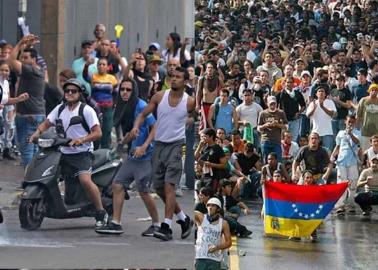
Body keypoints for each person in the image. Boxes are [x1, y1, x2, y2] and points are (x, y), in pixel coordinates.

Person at [29, 78, 108, 230]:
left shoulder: (86, 110)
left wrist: (82, 139)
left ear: (80, 93)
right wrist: (36, 133)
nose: (70, 93)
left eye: (74, 91)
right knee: (48, 174)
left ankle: (100, 212)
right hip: (62, 151)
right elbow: (47, 123)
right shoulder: (59, 109)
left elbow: (98, 133)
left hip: (82, 153)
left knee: (85, 180)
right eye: (67, 91)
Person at [131, 66, 195, 241]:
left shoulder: (189, 102)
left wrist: (189, 121)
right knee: (159, 188)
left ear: (185, 81)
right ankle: (183, 219)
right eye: (172, 76)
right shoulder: (159, 97)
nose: (174, 79)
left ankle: (166, 226)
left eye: (178, 77)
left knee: (169, 186)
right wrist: (136, 127)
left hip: (176, 146)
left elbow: (196, 116)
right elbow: (143, 114)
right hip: (159, 146)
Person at [95, 78, 159, 236]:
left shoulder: (142, 105)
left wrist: (144, 147)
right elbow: (133, 132)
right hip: (133, 155)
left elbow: (154, 128)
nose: (124, 92)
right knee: (118, 184)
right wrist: (122, 144)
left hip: (146, 155)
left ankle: (157, 224)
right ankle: (116, 223)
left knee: (143, 191)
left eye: (128, 90)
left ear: (134, 91)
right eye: (122, 89)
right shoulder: (122, 106)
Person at [8, 34, 46, 167]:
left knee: (27, 152)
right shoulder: (39, 70)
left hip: (28, 117)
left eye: (26, 58)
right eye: (22, 58)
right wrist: (27, 46)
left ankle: (29, 184)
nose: (22, 60)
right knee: (35, 151)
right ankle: (35, 182)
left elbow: (11, 61)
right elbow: (18, 59)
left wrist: (20, 43)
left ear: (34, 60)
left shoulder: (30, 71)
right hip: (37, 115)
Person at [194, 197, 231, 270]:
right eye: (208, 205)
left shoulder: (224, 223)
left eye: (213, 206)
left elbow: (229, 242)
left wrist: (217, 247)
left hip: (214, 259)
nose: (210, 207)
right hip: (200, 257)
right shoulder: (201, 217)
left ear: (218, 209)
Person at [257, 95, 288, 162]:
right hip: (265, 140)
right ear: (267, 104)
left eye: (274, 103)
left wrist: (277, 124)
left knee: (278, 161)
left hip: (276, 140)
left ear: (276, 103)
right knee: (266, 161)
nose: (273, 105)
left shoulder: (281, 113)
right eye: (271, 103)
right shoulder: (263, 113)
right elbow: (258, 128)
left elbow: (286, 127)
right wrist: (265, 125)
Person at [306, 86, 337, 152]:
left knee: (327, 153)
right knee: (314, 153)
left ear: (325, 94)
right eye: (319, 91)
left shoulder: (330, 102)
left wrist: (322, 107)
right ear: (316, 94)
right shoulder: (313, 103)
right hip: (315, 133)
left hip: (327, 133)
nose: (321, 93)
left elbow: (333, 115)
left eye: (322, 91)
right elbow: (308, 115)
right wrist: (314, 108)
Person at [356, 83, 378, 152]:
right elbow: (358, 115)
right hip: (365, 130)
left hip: (376, 131)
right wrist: (357, 129)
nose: (374, 92)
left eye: (376, 90)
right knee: (365, 151)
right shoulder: (363, 100)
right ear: (369, 91)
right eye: (372, 90)